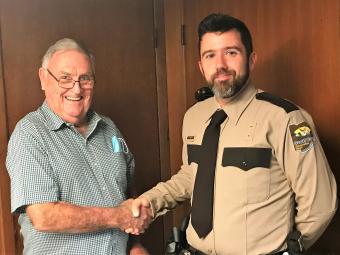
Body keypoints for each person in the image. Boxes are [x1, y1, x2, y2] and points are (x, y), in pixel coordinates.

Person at [130, 13, 338, 254]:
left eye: (231, 52)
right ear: (200, 65)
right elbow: (191, 175)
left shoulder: (286, 119)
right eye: (210, 55)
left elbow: (320, 205)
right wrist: (152, 200)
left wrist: (290, 249)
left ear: (251, 60)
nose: (220, 65)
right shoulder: (193, 117)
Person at [6, 38, 151, 255]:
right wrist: (119, 217)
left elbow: (128, 193)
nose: (76, 89)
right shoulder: (30, 134)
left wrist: (135, 245)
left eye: (85, 78)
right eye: (65, 78)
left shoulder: (109, 128)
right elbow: (44, 215)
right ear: (43, 78)